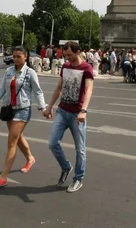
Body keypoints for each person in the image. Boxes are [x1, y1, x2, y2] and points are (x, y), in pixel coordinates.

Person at [0, 46, 46, 188]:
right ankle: (30, 158)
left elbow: (38, 92)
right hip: (9, 109)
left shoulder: (30, 73)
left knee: (11, 141)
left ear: (26, 57)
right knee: (17, 137)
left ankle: (3, 177)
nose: (15, 59)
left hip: (23, 109)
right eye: (14, 56)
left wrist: (43, 108)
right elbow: (1, 90)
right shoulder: (9, 71)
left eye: (19, 56)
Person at [44, 41, 94, 194]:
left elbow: (89, 89)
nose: (68, 58)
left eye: (70, 55)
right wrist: (50, 106)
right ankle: (66, 167)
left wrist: (83, 111)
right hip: (62, 110)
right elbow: (59, 87)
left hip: (76, 114)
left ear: (78, 52)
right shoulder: (65, 66)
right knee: (52, 143)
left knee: (80, 149)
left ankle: (78, 178)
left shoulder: (86, 68)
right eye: (66, 55)